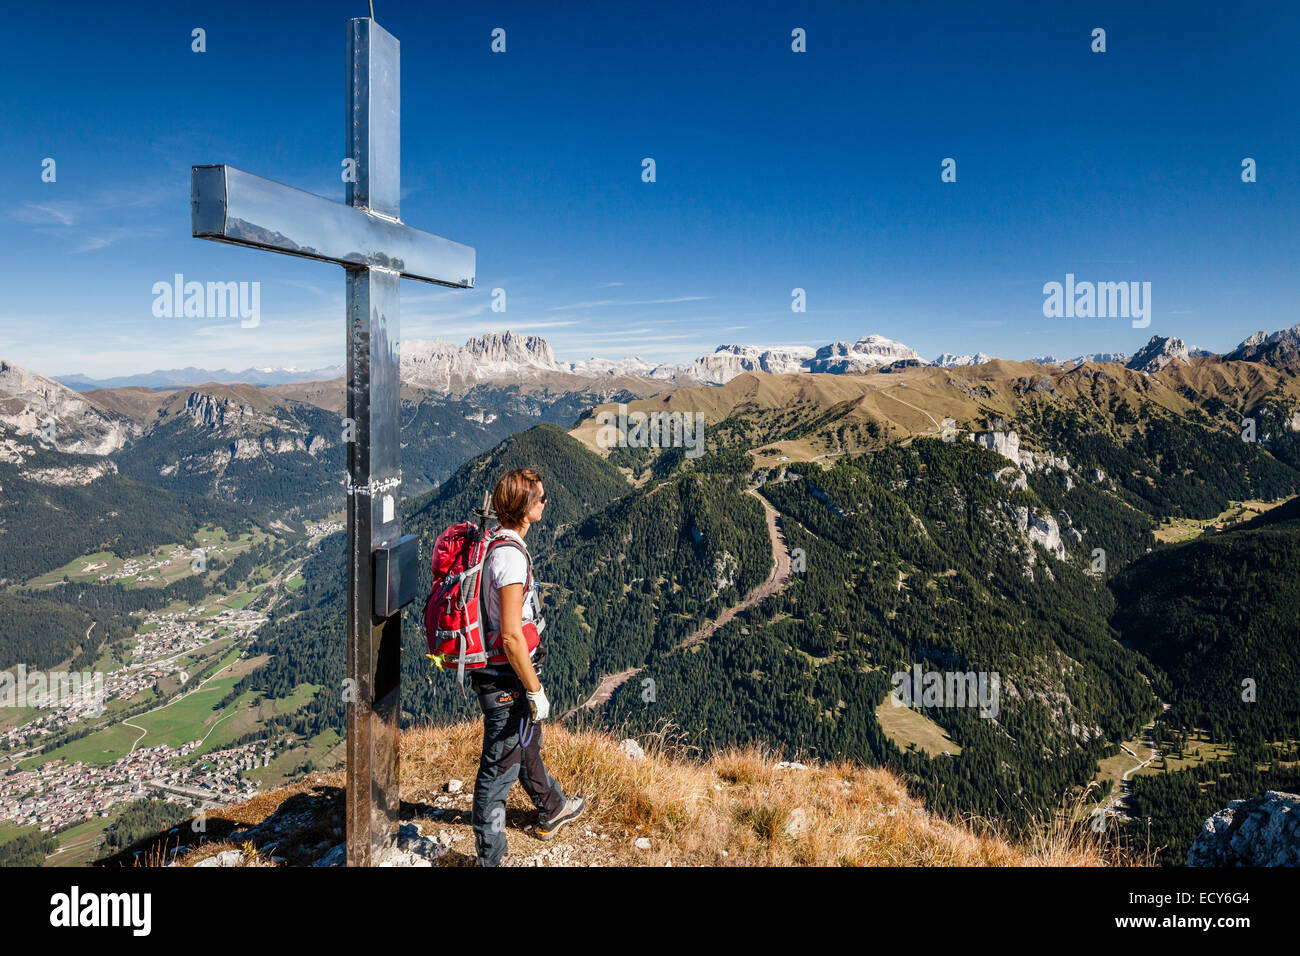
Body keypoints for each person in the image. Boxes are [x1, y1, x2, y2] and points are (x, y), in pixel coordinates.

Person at [470, 467, 585, 866]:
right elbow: (511, 636)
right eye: (540, 497)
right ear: (524, 507)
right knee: (498, 769)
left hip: (503, 674)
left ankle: (552, 807)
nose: (546, 502)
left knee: (526, 743)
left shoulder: (498, 544)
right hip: (505, 677)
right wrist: (535, 689)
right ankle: (492, 858)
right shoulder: (509, 558)